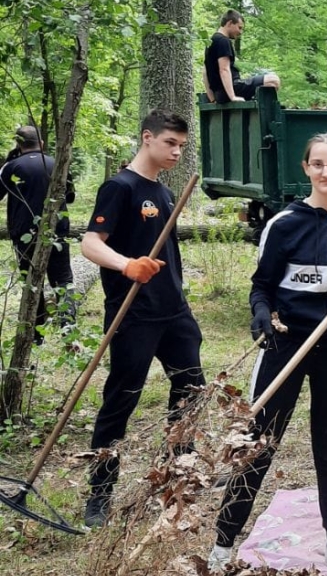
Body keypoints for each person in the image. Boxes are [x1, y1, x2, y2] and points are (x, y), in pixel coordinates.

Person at [207, 133, 327, 571]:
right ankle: (222, 545)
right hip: (285, 345)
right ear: (305, 168)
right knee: (258, 445)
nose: (326, 172)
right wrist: (260, 315)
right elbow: (261, 286)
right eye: (318, 164)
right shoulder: (284, 223)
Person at [80, 110, 207, 527]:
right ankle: (99, 495)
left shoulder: (164, 191)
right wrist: (125, 265)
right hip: (133, 314)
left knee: (191, 392)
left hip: (175, 311)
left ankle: (179, 474)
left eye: (182, 146)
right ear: (147, 137)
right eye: (170, 143)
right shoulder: (120, 187)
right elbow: (90, 243)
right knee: (122, 399)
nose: (176, 152)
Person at [0, 125, 77, 341]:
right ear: (41, 144)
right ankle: (68, 329)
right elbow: (70, 197)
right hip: (57, 229)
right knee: (62, 279)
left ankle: (36, 333)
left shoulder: (11, 167)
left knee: (32, 281)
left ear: (18, 144)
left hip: (24, 232)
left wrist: (7, 163)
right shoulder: (57, 164)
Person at [202, 9, 281, 103]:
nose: (240, 32)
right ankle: (267, 112)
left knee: (267, 80)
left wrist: (213, 99)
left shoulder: (211, 41)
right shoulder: (223, 41)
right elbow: (224, 70)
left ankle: (256, 101)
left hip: (219, 94)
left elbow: (205, 72)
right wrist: (233, 97)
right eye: (239, 27)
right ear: (230, 23)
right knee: (273, 80)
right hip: (231, 89)